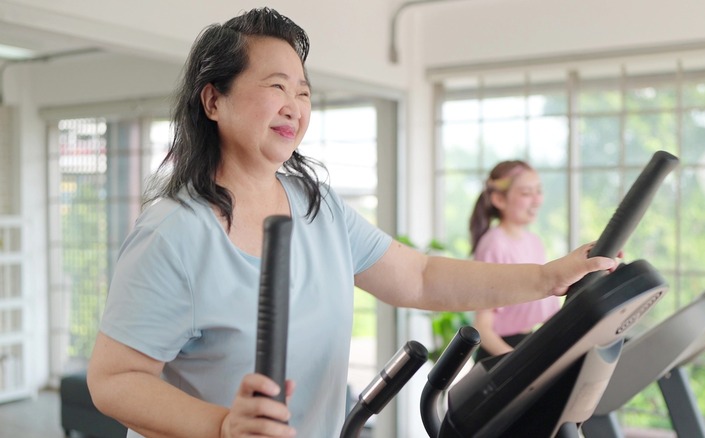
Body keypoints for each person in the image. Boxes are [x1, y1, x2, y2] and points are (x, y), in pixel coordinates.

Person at [86, 8, 616, 438]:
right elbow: (114, 380)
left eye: (303, 91)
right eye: (276, 86)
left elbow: (421, 277)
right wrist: (223, 427)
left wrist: (548, 277)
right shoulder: (173, 233)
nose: (294, 105)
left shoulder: (319, 207)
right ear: (213, 100)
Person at [469, 160, 560, 362]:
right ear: (499, 199)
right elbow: (483, 327)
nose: (537, 200)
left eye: (539, 191)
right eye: (527, 193)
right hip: (499, 354)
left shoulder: (534, 241)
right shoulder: (493, 245)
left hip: (526, 343)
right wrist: (516, 362)